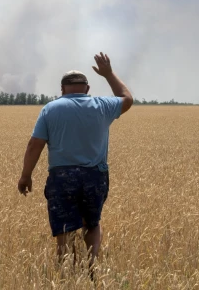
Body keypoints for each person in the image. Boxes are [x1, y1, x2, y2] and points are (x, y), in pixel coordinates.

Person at [17, 52, 133, 276]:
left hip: (62, 178)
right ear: (87, 89)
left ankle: (65, 273)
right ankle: (91, 268)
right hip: (95, 176)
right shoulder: (102, 106)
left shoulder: (51, 109)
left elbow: (34, 145)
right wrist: (108, 74)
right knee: (92, 222)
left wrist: (26, 175)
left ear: (62, 89)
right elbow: (126, 98)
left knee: (64, 228)